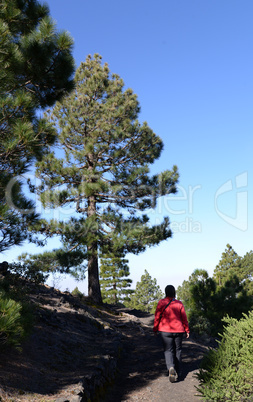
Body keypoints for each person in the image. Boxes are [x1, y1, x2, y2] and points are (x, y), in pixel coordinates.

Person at [153, 284, 190, 382]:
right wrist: (187, 330)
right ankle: (178, 370)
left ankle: (171, 368)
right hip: (178, 330)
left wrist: (155, 329)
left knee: (168, 350)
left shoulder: (161, 302)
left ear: (165, 292)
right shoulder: (179, 303)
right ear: (174, 292)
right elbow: (184, 318)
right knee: (178, 350)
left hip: (165, 331)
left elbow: (157, 317)